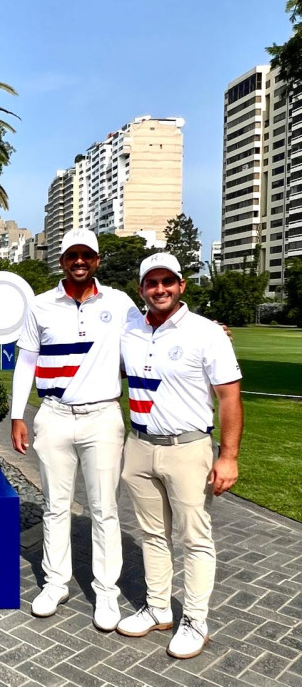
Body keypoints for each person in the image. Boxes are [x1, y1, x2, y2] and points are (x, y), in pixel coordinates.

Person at [11, 228, 140, 631]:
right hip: (53, 413)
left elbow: (152, 329)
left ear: (97, 260)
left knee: (104, 509)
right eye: (72, 255)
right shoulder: (40, 305)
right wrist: (18, 415)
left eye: (87, 255)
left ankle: (105, 591)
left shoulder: (118, 302)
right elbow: (27, 362)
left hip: (102, 416)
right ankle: (55, 582)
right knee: (55, 505)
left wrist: (207, 329)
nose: (79, 261)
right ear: (62, 260)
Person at [116, 253, 242, 659]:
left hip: (188, 448)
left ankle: (195, 619)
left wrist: (229, 456)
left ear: (182, 285)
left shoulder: (207, 333)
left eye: (167, 281)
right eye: (151, 283)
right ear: (141, 289)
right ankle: (157, 608)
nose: (160, 289)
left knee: (194, 537)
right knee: (152, 534)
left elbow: (229, 397)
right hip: (139, 446)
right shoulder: (129, 328)